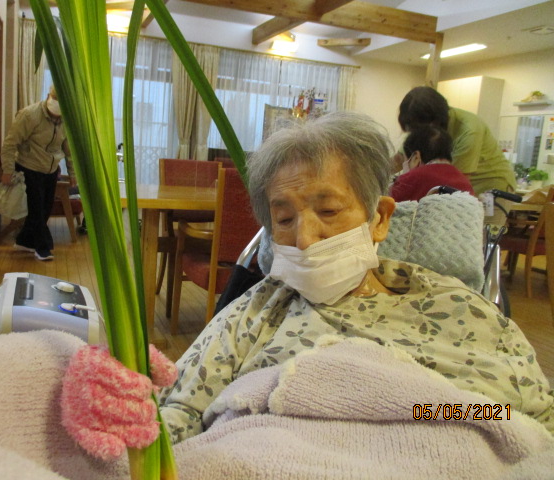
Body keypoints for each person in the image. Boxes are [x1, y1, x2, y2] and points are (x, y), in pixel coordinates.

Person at [63, 112, 552, 449]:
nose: (305, 237)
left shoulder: (459, 309)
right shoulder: (252, 316)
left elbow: (525, 421)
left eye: (329, 210)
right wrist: (119, 408)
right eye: (283, 219)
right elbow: (176, 417)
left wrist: (419, 410)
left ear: (380, 219)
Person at [397, 87, 516, 222]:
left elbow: (457, 181)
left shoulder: (469, 130)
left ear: (434, 122)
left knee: (482, 233)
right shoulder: (424, 128)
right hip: (457, 187)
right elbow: (398, 159)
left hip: (490, 185)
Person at [1, 85, 76, 261]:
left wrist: (72, 174)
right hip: (29, 166)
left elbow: (68, 149)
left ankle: (24, 241)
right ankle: (43, 248)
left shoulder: (66, 120)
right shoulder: (29, 115)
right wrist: (8, 170)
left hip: (51, 169)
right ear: (49, 97)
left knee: (45, 208)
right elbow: (10, 144)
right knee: (37, 210)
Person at [390, 125, 475, 202]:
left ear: (416, 157)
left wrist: (403, 178)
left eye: (406, 160)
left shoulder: (412, 178)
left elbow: (386, 205)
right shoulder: (465, 182)